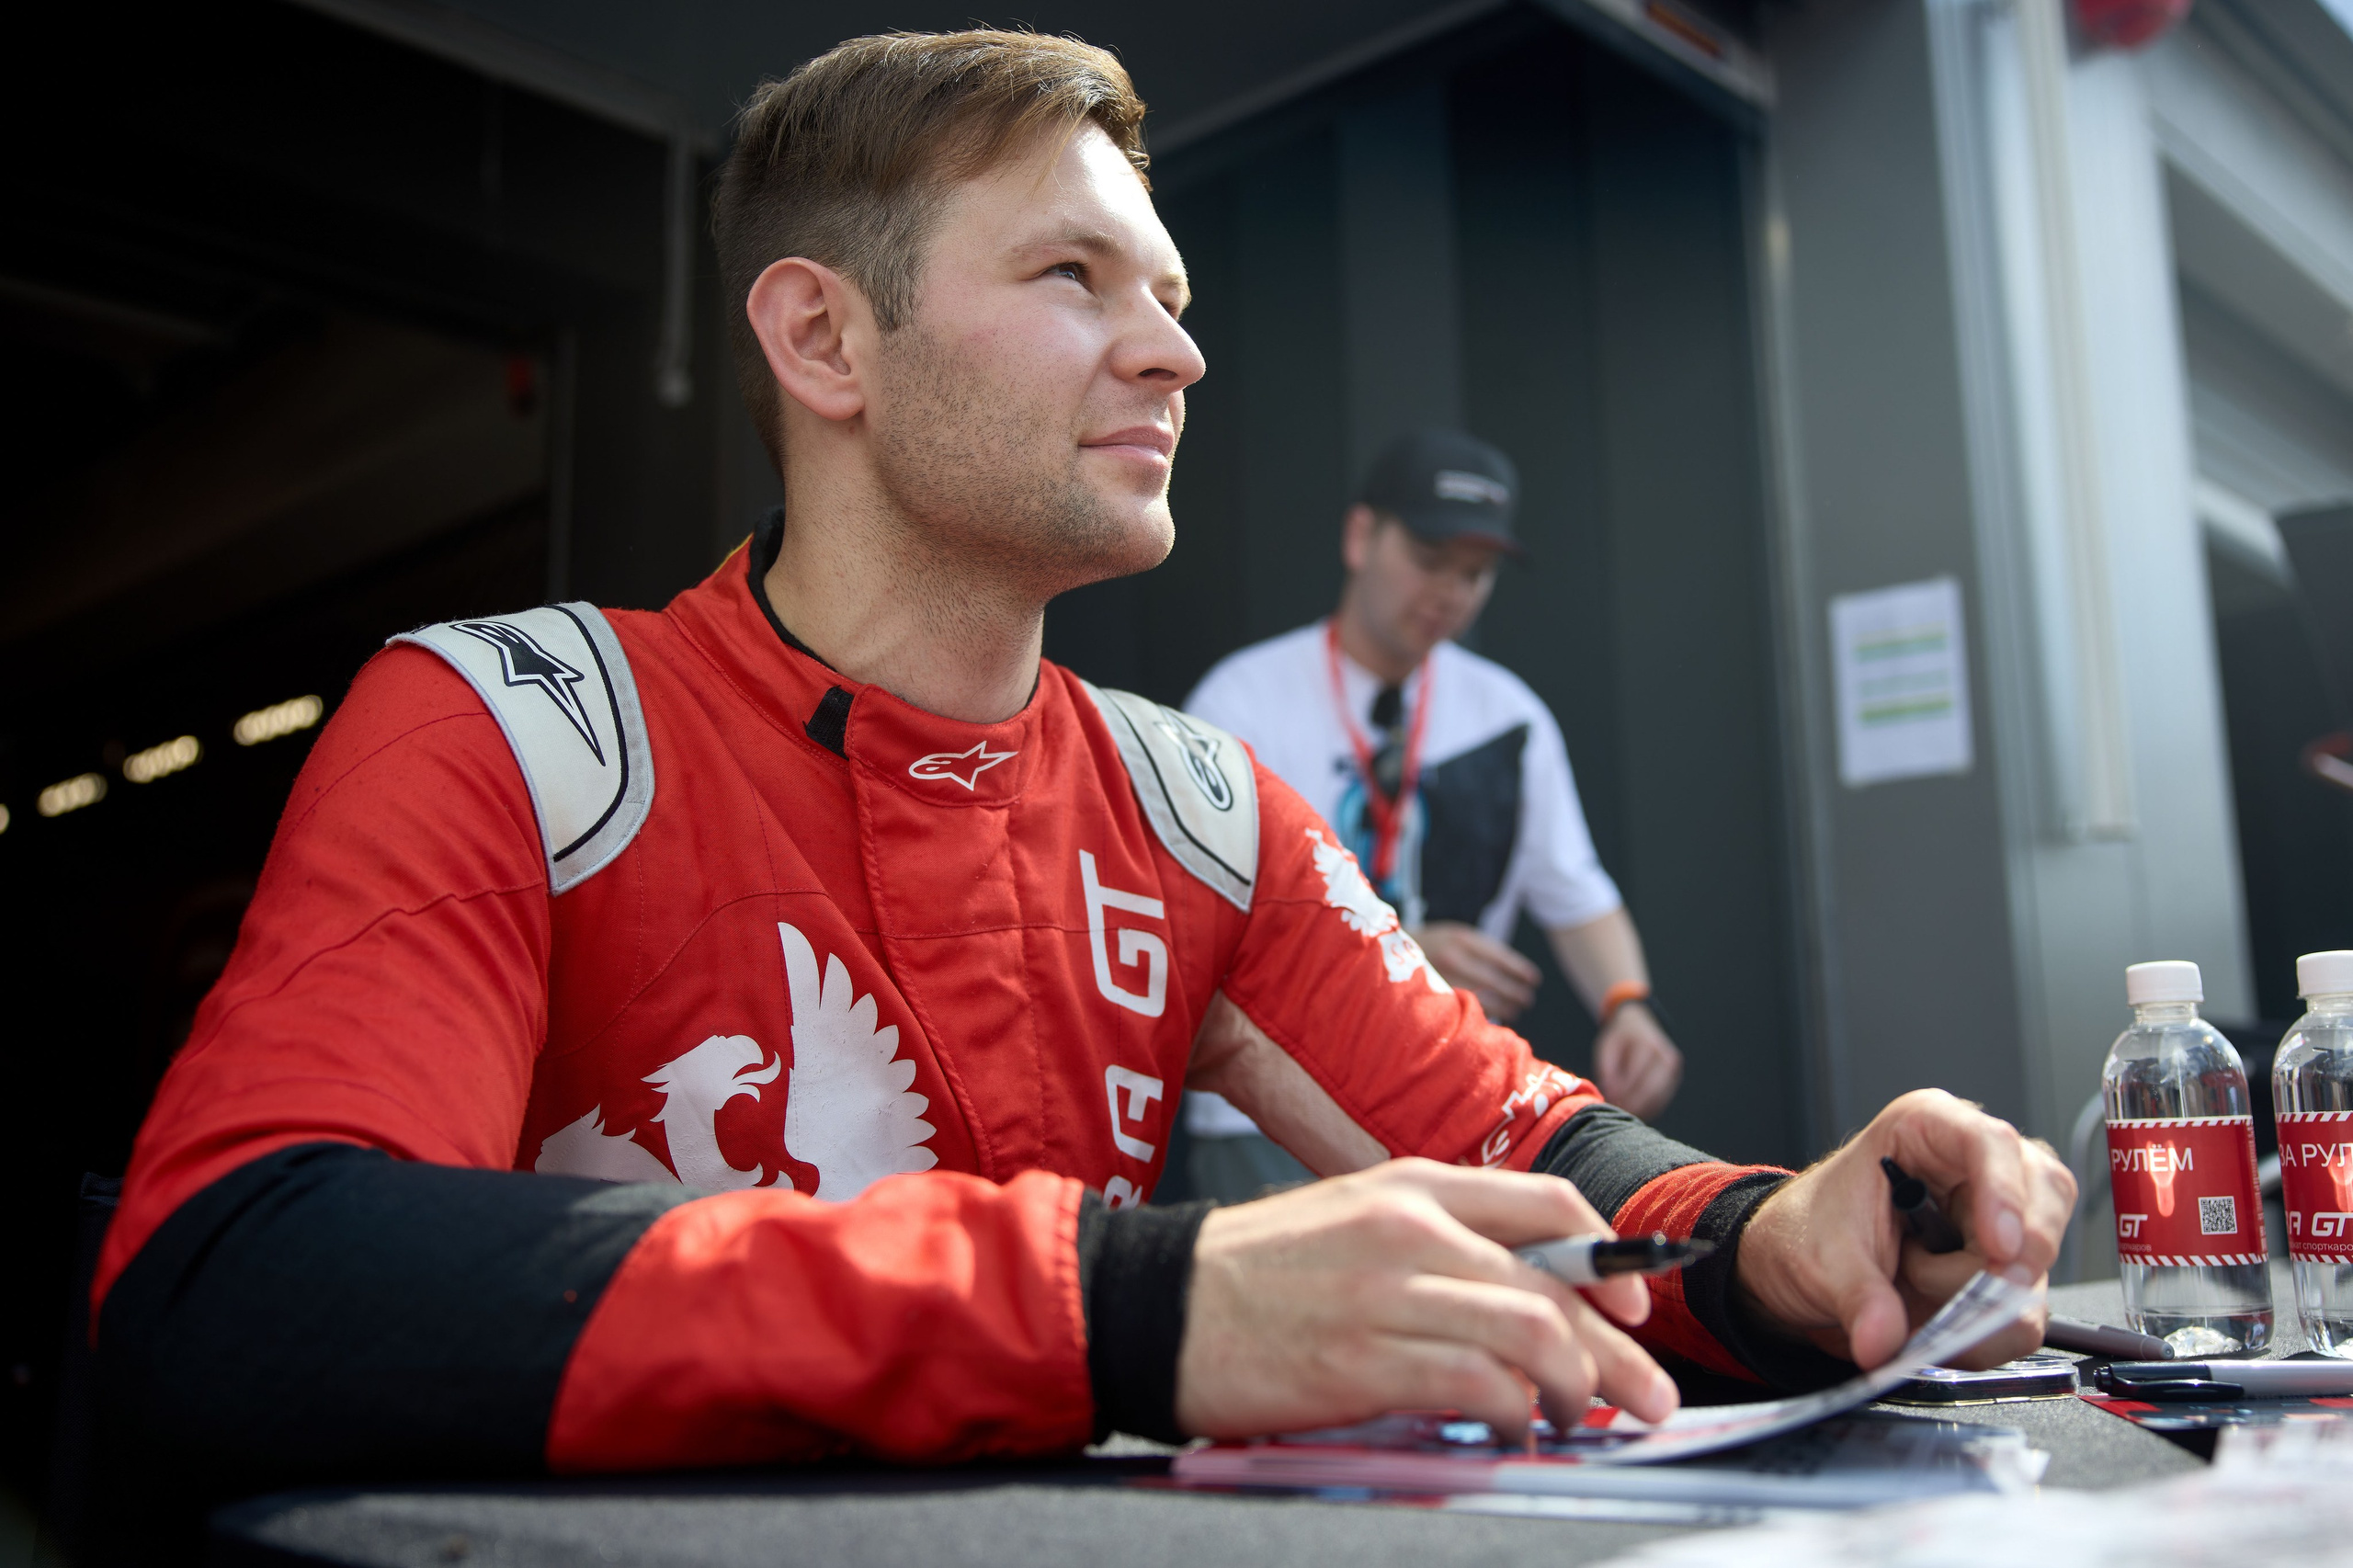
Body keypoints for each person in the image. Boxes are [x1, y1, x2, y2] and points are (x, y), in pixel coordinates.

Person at [91, 29, 2074, 1509]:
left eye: (1174, 299)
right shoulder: (517, 723)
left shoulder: (1195, 800)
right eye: (1074, 281)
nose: (1175, 355)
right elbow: (230, 1287)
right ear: (822, 341)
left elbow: (1528, 1156)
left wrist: (1778, 1239)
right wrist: (1127, 1300)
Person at [1182, 432, 1681, 1200]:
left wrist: (1629, 1008)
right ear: (1360, 537)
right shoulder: (1240, 701)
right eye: (1428, 557)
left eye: (1474, 574)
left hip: (1447, 1104)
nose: (1449, 592)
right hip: (1267, 1113)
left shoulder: (1507, 713)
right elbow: (1208, 927)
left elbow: (1576, 892)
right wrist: (1401, 949)